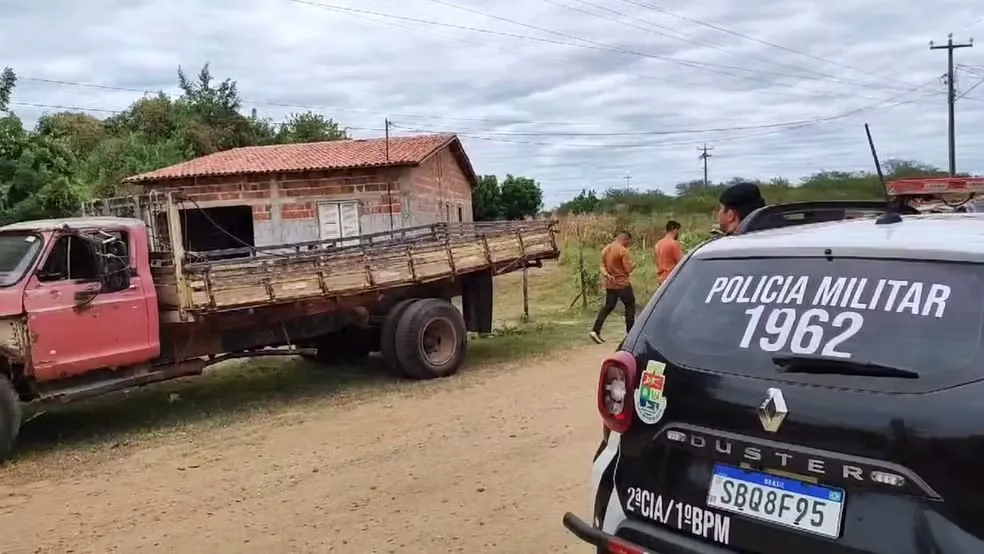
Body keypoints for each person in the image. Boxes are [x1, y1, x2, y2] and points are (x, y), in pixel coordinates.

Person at [590, 231, 635, 344]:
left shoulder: (606, 249)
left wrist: (606, 275)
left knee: (608, 306)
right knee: (630, 306)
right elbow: (627, 269)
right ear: (625, 239)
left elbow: (601, 266)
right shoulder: (623, 251)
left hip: (610, 284)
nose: (628, 244)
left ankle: (595, 330)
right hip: (622, 283)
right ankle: (631, 334)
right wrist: (633, 265)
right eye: (628, 241)